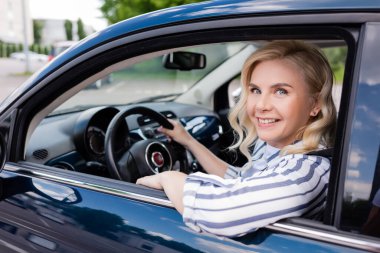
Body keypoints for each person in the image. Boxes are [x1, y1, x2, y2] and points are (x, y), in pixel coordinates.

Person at [137, 40, 337, 237]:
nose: (261, 105)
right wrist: (189, 141)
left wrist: (167, 177)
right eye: (256, 90)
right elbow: (241, 180)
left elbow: (219, 214)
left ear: (315, 104)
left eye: (281, 91)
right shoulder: (272, 145)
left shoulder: (306, 171)